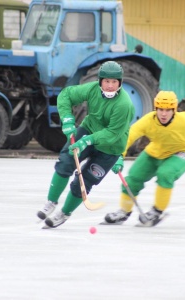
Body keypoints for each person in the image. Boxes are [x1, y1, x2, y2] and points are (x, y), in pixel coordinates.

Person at [37, 61, 135, 228]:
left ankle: (64, 213)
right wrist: (67, 120)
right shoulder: (92, 90)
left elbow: (112, 134)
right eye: (106, 81)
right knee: (66, 161)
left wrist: (87, 141)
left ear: (120, 83)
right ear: (100, 81)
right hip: (88, 129)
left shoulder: (124, 105)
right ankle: (51, 202)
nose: (110, 86)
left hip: (110, 147)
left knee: (84, 180)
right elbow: (66, 95)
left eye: (114, 82)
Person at [105, 90, 185, 226]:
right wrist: (119, 155)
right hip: (155, 152)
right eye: (160, 109)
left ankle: (157, 211)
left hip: (181, 153)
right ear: (156, 108)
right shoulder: (149, 120)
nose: (163, 114)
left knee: (166, 174)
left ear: (174, 110)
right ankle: (124, 211)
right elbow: (129, 135)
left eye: (168, 110)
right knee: (132, 178)